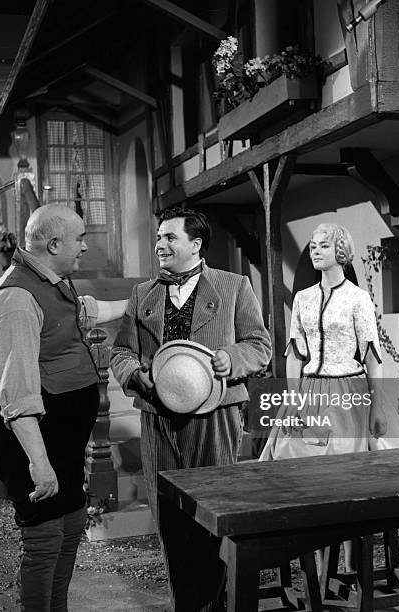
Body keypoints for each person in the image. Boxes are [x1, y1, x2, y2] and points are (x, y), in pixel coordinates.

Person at [110, 205, 272, 611]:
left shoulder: (233, 286)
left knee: (212, 511)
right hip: (157, 416)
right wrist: (132, 374)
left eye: (170, 237)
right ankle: (186, 602)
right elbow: (121, 352)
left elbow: (261, 346)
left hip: (214, 416)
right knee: (169, 515)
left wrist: (231, 358)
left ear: (195, 244)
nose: (159, 244)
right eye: (159, 237)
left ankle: (215, 600)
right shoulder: (142, 293)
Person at [0, 204, 127, 612]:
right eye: (80, 239)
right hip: (29, 436)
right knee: (45, 537)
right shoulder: (16, 298)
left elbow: (83, 313)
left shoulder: (52, 280)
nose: (84, 247)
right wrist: (39, 463)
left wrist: (140, 299)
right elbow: (19, 395)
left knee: (72, 521)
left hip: (57, 434)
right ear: (54, 243)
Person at [260, 222, 399, 573]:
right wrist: (293, 402)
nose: (315, 250)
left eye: (323, 245)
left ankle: (351, 568)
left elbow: (372, 355)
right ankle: (311, 566)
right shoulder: (302, 299)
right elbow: (295, 354)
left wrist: (375, 405)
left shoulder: (357, 298)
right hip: (309, 392)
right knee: (299, 475)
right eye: (312, 245)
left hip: (349, 394)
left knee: (349, 483)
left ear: (340, 251)